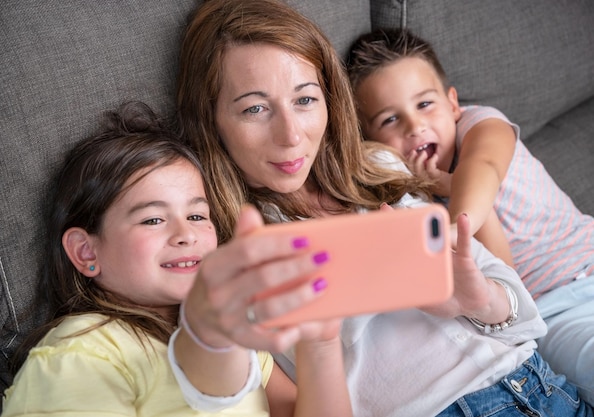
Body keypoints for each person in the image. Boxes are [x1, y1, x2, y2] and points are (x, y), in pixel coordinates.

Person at [175, 0, 594, 415]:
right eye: (255, 108)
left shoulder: (378, 167)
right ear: (210, 121)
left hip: (544, 388)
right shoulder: (226, 253)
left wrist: (479, 300)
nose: (291, 135)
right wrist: (311, 343)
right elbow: (217, 377)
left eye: (304, 100)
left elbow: (524, 320)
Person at [0, 101, 352, 417]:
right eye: (153, 219)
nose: (187, 234)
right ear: (86, 251)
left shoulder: (240, 335)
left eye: (198, 216)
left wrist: (319, 344)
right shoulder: (80, 352)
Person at [346, 27, 594, 405]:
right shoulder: (410, 198)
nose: (415, 126)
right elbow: (506, 278)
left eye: (425, 104)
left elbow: (484, 168)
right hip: (555, 311)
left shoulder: (479, 125)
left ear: (453, 103)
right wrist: (440, 197)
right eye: (389, 120)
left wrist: (448, 208)